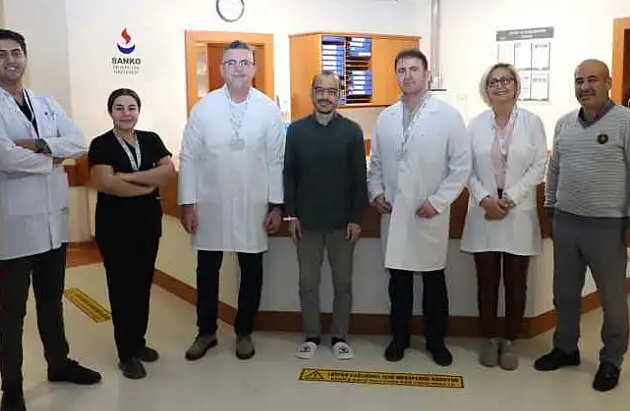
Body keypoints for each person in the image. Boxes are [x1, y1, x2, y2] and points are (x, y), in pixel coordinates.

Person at [0, 29, 101, 411]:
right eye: (1, 54)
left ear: (25, 57)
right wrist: (53, 159)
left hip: (52, 222)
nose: (10, 60)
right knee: (13, 310)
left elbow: (78, 142)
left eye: (16, 52)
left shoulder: (45, 102)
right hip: (14, 226)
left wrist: (41, 145)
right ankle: (11, 388)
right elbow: (3, 158)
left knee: (51, 300)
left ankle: (58, 363)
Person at [536, 59, 630, 392]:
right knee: (564, 294)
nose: (585, 87)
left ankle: (611, 360)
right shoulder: (564, 124)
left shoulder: (629, 123)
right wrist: (550, 208)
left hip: (608, 228)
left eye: (592, 80)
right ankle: (565, 348)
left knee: (612, 300)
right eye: (579, 81)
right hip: (567, 223)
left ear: (608, 83)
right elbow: (554, 169)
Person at [178, 40, 285, 361]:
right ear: (222, 69)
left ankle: (244, 332)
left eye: (244, 62)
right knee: (207, 270)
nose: (238, 68)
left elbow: (276, 160)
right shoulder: (204, 108)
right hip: (211, 203)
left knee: (252, 270)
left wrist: (276, 205)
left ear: (254, 68)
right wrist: (188, 204)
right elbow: (189, 157)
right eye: (231, 63)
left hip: (254, 203)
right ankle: (206, 331)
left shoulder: (268, 109)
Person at [367, 49, 471, 366]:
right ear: (396, 75)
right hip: (395, 213)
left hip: (429, 214)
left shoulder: (448, 116)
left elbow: (461, 167)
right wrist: (376, 192)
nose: (408, 75)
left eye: (414, 69)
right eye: (402, 70)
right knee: (398, 283)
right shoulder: (385, 118)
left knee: (433, 283)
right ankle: (399, 339)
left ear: (427, 75)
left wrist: (437, 202)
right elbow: (376, 164)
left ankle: (436, 342)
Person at [460, 63, 548, 371]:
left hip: (517, 211)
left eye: (506, 80)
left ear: (516, 86)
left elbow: (539, 165)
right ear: (486, 90)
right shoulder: (474, 125)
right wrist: (485, 199)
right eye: (493, 81)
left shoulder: (532, 122)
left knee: (515, 282)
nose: (500, 86)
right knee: (486, 281)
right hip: (484, 210)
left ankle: (509, 339)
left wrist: (510, 197)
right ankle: (489, 337)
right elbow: (465, 167)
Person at [88, 88, 176, 379]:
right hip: (115, 228)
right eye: (119, 108)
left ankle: (138, 342)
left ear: (138, 110)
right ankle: (126, 354)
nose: (126, 113)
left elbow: (168, 173)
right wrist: (147, 187)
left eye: (131, 107)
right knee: (121, 288)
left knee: (142, 285)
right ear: (110, 112)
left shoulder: (151, 139)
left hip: (147, 224)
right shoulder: (101, 144)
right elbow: (105, 183)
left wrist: (129, 176)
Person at [283, 70, 368, 360]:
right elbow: (289, 175)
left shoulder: (352, 132)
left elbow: (359, 178)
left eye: (331, 91)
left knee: (343, 283)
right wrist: (291, 215)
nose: (325, 97)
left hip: (342, 224)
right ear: (312, 93)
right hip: (306, 223)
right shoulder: (296, 131)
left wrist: (356, 218)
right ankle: (311, 336)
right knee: (308, 283)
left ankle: (339, 336)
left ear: (339, 96)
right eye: (320, 90)